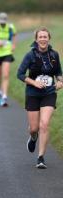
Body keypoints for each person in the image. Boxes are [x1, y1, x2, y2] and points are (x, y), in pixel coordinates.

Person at [17, 27, 63, 169]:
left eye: (45, 37)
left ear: (48, 38)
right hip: (32, 94)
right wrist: (34, 83)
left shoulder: (54, 55)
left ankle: (41, 157)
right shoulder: (30, 55)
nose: (43, 39)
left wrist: (60, 82)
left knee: (44, 124)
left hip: (49, 93)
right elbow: (20, 74)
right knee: (34, 127)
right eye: (40, 37)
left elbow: (59, 73)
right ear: (36, 39)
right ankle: (33, 136)